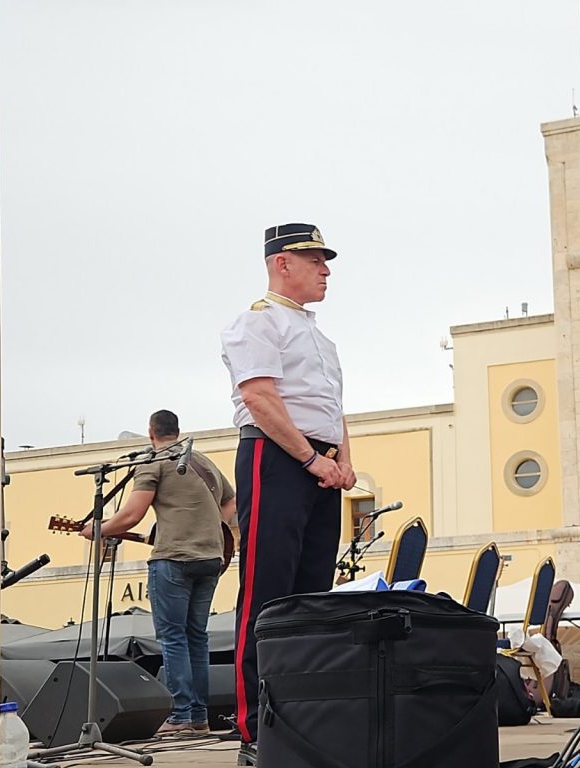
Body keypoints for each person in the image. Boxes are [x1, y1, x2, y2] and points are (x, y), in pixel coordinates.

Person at [220, 222, 356, 766]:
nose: (325, 270)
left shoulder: (320, 337)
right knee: (267, 591)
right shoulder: (257, 321)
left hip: (319, 463)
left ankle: (302, 718)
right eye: (314, 259)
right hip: (276, 456)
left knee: (312, 595)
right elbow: (259, 397)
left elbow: (333, 408)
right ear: (282, 262)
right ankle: (254, 728)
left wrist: (343, 461)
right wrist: (310, 458)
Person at [81, 409, 235, 735]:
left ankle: (181, 715)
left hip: (174, 558)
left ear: (151, 432)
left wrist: (98, 529)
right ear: (177, 430)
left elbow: (132, 515)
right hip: (210, 558)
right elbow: (231, 501)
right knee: (197, 638)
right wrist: (208, 525)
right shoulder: (204, 461)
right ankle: (199, 717)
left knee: (173, 638)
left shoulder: (154, 462)